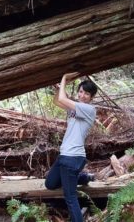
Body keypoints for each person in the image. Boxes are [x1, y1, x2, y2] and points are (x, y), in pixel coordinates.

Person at [45, 72, 98, 222]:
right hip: (64, 155)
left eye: (86, 93)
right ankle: (84, 177)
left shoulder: (89, 110)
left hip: (73, 158)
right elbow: (58, 100)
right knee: (50, 184)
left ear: (91, 97)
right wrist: (59, 88)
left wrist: (64, 78)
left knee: (70, 197)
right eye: (80, 91)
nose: (82, 95)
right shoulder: (75, 109)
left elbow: (63, 98)